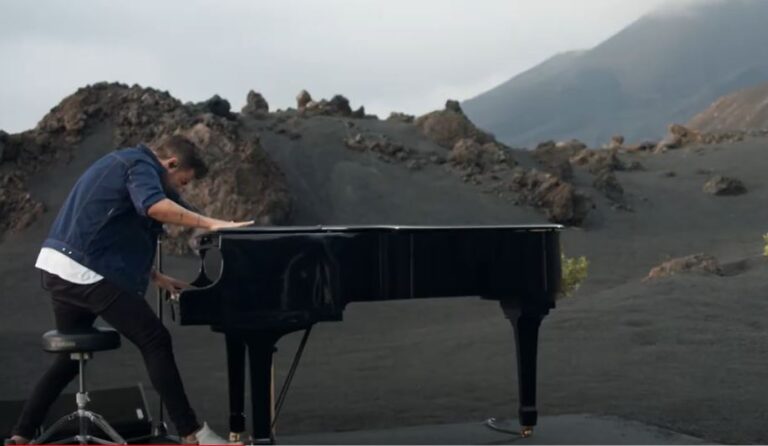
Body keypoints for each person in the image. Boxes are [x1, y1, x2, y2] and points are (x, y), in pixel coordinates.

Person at [7, 135, 253, 444]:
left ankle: (22, 435)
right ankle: (192, 434)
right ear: (171, 164)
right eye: (183, 181)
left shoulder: (120, 162)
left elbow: (105, 231)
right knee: (154, 339)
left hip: (60, 268)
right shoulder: (140, 165)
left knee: (68, 362)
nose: (181, 188)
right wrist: (210, 223)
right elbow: (153, 206)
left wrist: (155, 276)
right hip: (83, 270)